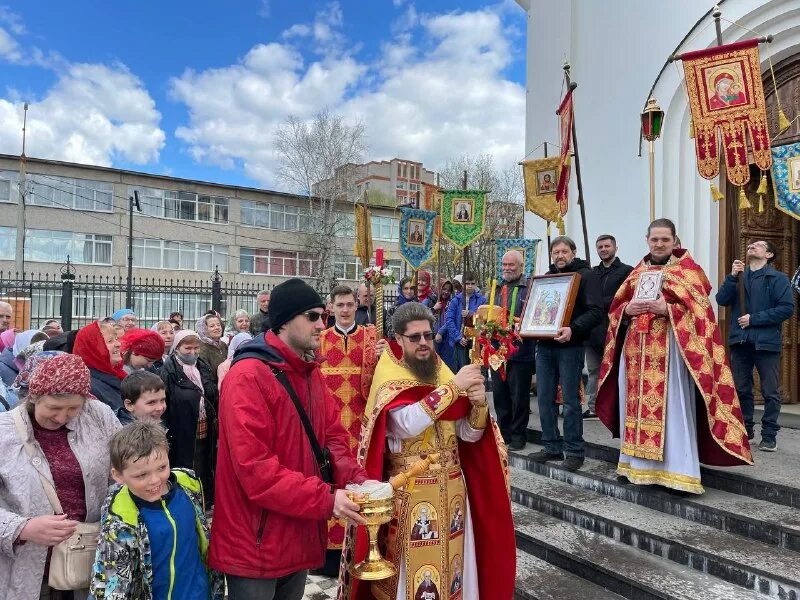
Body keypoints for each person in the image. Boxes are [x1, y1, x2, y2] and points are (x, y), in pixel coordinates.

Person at [339, 302, 516, 600]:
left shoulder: (441, 371)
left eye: (428, 335)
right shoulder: (389, 376)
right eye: (415, 337)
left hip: (453, 493)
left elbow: (468, 436)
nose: (423, 343)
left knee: (455, 573)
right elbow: (404, 425)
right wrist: (452, 390)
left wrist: (477, 404)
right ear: (398, 339)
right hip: (412, 493)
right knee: (417, 581)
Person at [209, 278, 371, 600]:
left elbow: (332, 439)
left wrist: (358, 480)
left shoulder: (309, 372)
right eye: (312, 317)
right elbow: (256, 470)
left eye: (323, 317)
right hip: (256, 542)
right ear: (284, 321)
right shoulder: (248, 377)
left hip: (297, 531)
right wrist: (327, 499)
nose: (322, 326)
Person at [596, 218, 753, 494]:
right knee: (634, 408)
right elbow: (615, 309)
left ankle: (678, 472)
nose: (659, 244)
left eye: (664, 240)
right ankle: (635, 467)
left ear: (674, 241)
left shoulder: (689, 271)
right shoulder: (637, 272)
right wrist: (626, 312)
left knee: (673, 409)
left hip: (671, 351)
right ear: (647, 240)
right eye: (654, 239)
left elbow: (702, 313)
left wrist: (667, 309)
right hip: (636, 354)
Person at [0, 353, 121, 599]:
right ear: (34, 397)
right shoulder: (5, 432)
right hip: (25, 568)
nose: (62, 417)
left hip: (88, 560)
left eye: (73, 409)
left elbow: (121, 474)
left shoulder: (99, 416)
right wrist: (22, 528)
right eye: (54, 408)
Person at [90, 421, 224, 599]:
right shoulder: (119, 521)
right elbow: (108, 585)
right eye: (141, 475)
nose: (154, 480)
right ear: (118, 476)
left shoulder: (188, 485)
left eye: (161, 468)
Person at [317, 285, 387, 575]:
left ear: (357, 304)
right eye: (340, 304)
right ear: (330, 307)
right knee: (329, 483)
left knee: (359, 484)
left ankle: (360, 549)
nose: (345, 310)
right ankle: (327, 557)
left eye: (350, 304)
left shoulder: (372, 337)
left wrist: (387, 356)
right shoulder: (319, 339)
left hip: (360, 428)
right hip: (329, 428)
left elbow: (386, 380)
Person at [532, 236, 603, 472]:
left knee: (571, 402)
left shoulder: (586, 275)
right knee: (544, 398)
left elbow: (596, 311)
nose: (559, 256)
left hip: (570, 347)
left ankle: (574, 450)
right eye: (555, 252)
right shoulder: (548, 278)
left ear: (573, 252)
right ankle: (551, 445)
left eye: (564, 251)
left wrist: (574, 328)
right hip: (545, 346)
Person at [715, 240, 794, 452]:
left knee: (770, 391)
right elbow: (721, 299)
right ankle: (746, 429)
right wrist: (732, 277)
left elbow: (786, 308)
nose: (752, 246)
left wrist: (754, 319)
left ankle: (769, 435)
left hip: (766, 342)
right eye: (750, 245)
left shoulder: (777, 278)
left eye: (758, 245)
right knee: (741, 388)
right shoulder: (738, 277)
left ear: (769, 254)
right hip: (740, 341)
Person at [160, 329, 218, 506]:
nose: (192, 352)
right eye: (187, 348)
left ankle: (205, 500)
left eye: (196, 347)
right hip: (182, 429)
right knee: (186, 466)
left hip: (204, 426)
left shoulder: (203, 367)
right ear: (177, 348)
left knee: (204, 463)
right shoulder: (169, 371)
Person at [584, 235, 633, 419]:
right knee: (594, 370)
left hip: (616, 329)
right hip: (593, 330)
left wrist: (599, 302)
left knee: (616, 369)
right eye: (600, 247)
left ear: (615, 248)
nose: (603, 249)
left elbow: (625, 297)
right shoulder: (592, 273)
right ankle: (593, 406)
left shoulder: (627, 271)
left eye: (607, 246)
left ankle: (618, 407)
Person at [492, 250, 536, 450]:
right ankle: (504, 432)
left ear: (521, 267)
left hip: (520, 351)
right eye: (504, 265)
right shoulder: (495, 288)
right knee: (500, 394)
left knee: (519, 396)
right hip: (497, 351)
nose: (507, 269)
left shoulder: (529, 288)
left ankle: (519, 434)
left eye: (511, 265)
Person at [439, 272, 486, 373]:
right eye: (467, 283)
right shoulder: (456, 300)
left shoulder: (481, 300)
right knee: (462, 369)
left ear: (476, 284)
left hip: (475, 341)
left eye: (472, 283)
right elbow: (449, 320)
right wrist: (458, 338)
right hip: (460, 340)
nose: (470, 286)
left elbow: (483, 318)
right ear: (463, 284)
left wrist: (471, 314)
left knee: (475, 370)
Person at [73, 321, 126, 410]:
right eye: (110, 341)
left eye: (116, 339)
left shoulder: (117, 375)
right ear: (93, 349)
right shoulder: (89, 387)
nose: (118, 344)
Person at [195, 314, 228, 385]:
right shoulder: (201, 348)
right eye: (212, 326)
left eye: (218, 325)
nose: (217, 328)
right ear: (203, 329)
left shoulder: (223, 345)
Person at [432, 280, 454, 368]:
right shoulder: (432, 299)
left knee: (446, 364)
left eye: (449, 290)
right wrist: (434, 308)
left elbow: (450, 319)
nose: (446, 292)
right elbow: (424, 314)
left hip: (447, 336)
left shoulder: (451, 302)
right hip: (433, 335)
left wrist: (441, 332)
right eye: (444, 289)